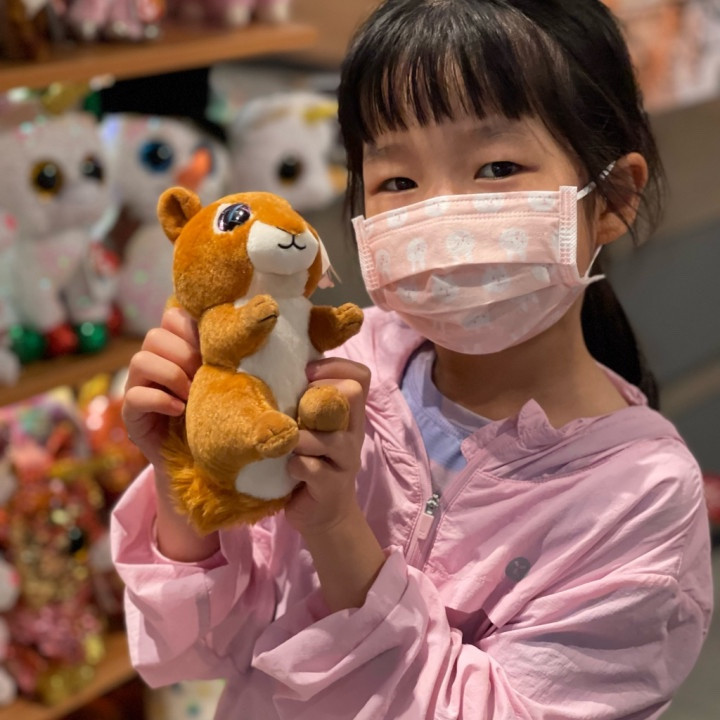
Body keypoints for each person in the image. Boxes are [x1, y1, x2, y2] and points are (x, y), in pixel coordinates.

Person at [111, 1, 713, 718]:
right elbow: (203, 648)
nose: (442, 212)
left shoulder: (641, 497)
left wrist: (337, 532)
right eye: (398, 181)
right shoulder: (340, 366)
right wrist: (183, 472)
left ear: (611, 197)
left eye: (497, 167)